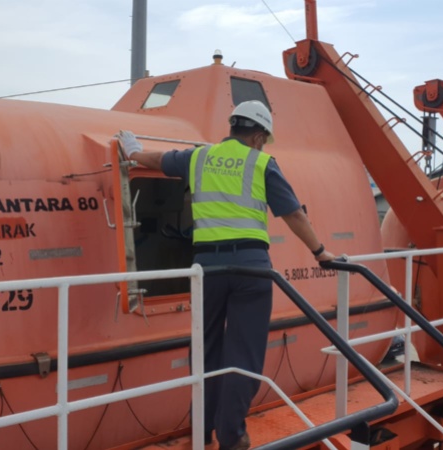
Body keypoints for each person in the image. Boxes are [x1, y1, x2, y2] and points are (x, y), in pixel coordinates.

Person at [117, 100, 335, 450]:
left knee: (205, 351)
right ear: (259, 136)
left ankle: (201, 431)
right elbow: (293, 214)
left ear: (232, 128)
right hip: (251, 268)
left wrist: (134, 151)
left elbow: (158, 161)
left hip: (207, 269)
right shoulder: (262, 162)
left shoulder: (200, 157)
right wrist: (321, 252)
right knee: (243, 354)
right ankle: (231, 435)